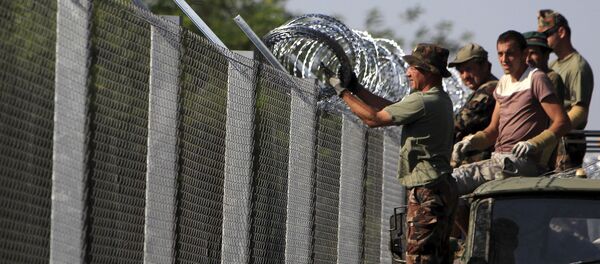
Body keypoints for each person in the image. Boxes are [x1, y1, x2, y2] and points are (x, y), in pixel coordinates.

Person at [328, 43, 458, 263]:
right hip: (441, 187)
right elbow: (393, 108)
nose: (408, 72)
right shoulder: (439, 100)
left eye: (413, 68)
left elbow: (373, 119)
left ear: (428, 71)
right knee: (438, 257)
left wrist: (342, 92)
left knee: (419, 258)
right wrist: (357, 90)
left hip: (427, 191)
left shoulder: (423, 101)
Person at [452, 30, 571, 196]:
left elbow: (562, 122)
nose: (504, 59)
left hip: (523, 162)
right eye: (500, 54)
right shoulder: (503, 83)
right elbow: (493, 130)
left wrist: (534, 143)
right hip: (500, 159)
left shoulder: (536, 79)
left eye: (510, 53)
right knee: (455, 189)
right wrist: (471, 141)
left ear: (524, 54)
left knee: (455, 181)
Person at [538, 9, 594, 170]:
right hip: (553, 139)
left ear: (561, 32)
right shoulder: (553, 65)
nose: (543, 40)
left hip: (567, 142)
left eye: (547, 34)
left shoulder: (577, 66)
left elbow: (580, 110)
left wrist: (553, 131)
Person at [448, 43, 498, 166]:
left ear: (486, 66)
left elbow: (458, 123)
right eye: (461, 71)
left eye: (469, 69)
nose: (465, 76)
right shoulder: (485, 89)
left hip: (481, 163)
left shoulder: (489, 90)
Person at [523, 30, 568, 170]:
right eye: (525, 53)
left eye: (533, 53)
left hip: (539, 155)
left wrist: (543, 160)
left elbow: (554, 122)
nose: (528, 58)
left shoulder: (550, 78)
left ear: (546, 55)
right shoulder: (523, 80)